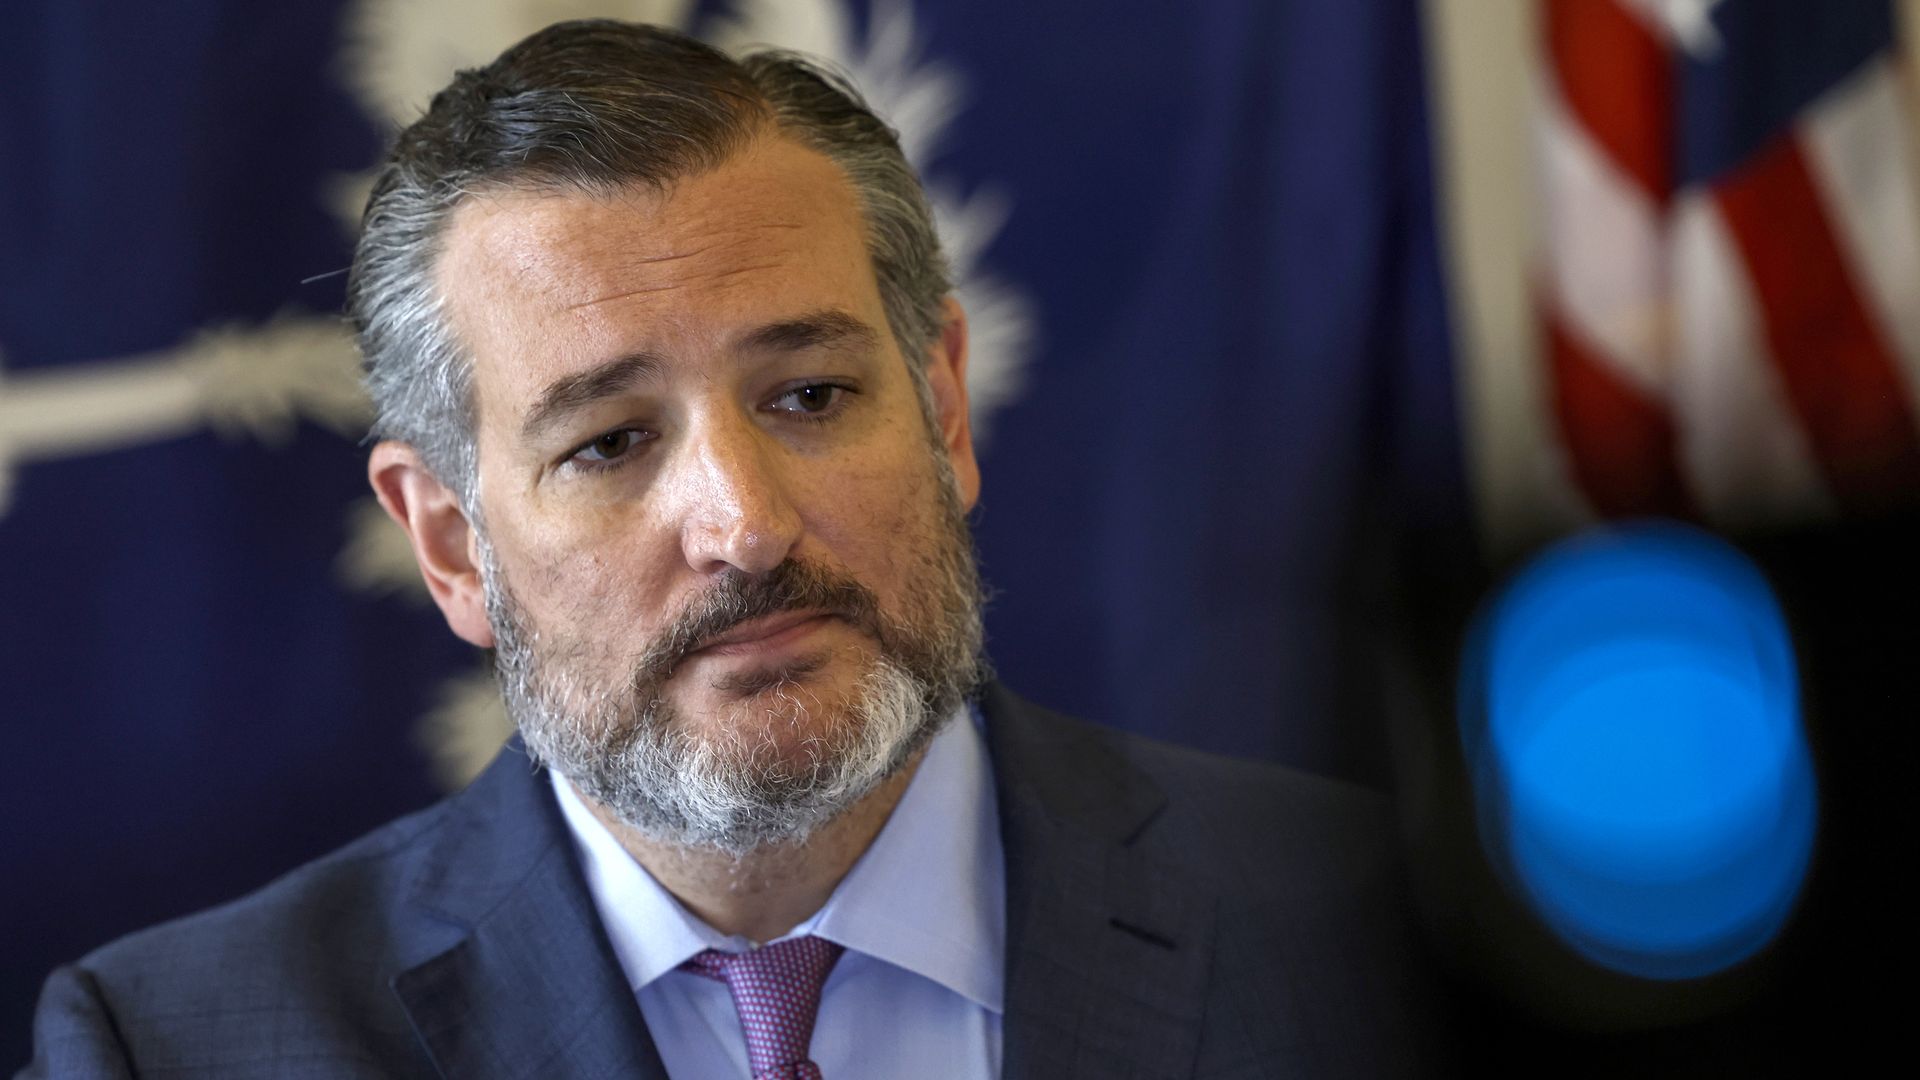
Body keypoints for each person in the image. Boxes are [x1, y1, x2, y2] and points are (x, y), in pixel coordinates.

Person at [22, 20, 1434, 1079]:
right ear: (450, 543)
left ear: (942, 403)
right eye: (609, 443)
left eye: (811, 396)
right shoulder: (170, 1050)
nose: (746, 524)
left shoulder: (1388, 942)